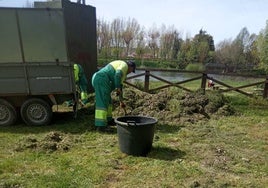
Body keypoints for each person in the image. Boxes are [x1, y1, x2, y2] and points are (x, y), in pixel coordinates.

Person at [91, 60, 136, 132]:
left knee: (108, 101)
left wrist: (121, 101)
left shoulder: (123, 74)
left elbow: (120, 88)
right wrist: (117, 87)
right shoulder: (124, 65)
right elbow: (117, 74)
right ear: (130, 66)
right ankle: (100, 126)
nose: (130, 72)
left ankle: (109, 120)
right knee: (102, 102)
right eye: (132, 70)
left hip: (103, 81)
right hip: (101, 79)